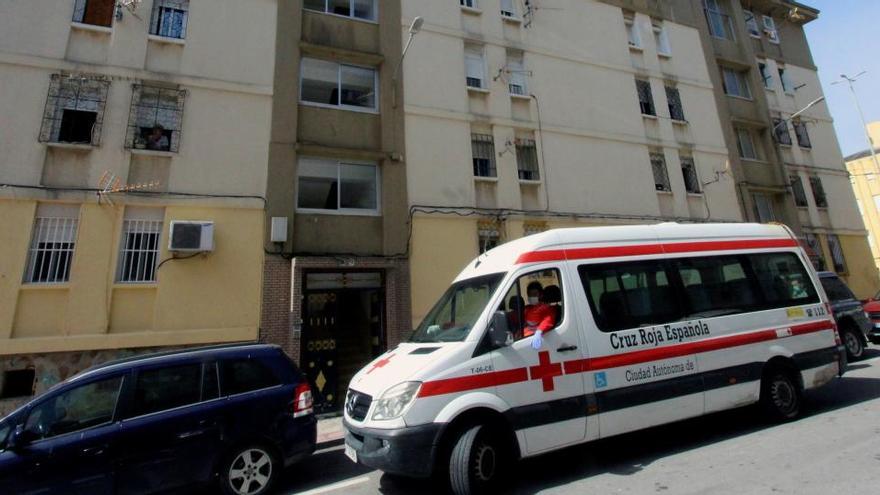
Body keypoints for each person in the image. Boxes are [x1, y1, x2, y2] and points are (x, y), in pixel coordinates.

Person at [523, 282, 556, 349]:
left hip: (533, 339)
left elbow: (548, 320)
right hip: (524, 338)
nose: (532, 297)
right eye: (530, 294)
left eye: (534, 294)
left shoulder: (546, 308)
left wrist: (539, 331)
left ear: (540, 295)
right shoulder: (527, 308)